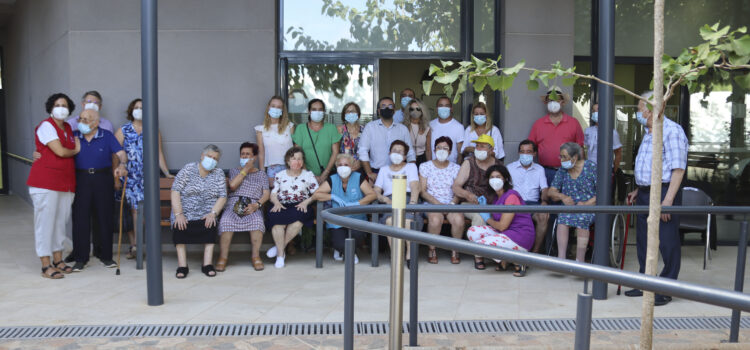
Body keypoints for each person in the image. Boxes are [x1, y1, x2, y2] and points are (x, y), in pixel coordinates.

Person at [624, 91, 688, 306]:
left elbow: (678, 170)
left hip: (664, 192)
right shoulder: (649, 132)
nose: (638, 113)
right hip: (645, 192)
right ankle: (646, 283)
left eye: (640, 108)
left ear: (652, 109)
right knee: (643, 239)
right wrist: (638, 189)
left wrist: (668, 200)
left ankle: (666, 288)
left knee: (667, 241)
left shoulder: (671, 131)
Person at [27, 93, 80, 279]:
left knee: (60, 223)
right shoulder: (46, 126)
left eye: (64, 105)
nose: (61, 108)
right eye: (57, 104)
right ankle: (45, 264)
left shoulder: (67, 127)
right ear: (50, 108)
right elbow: (59, 150)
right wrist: (75, 149)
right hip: (45, 183)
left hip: (65, 183)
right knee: (45, 223)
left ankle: (58, 260)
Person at [114, 98, 174, 260]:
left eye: (142, 108)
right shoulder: (123, 130)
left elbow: (158, 153)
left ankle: (140, 245)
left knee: (143, 212)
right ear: (131, 110)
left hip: (147, 176)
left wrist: (167, 173)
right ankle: (135, 245)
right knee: (133, 210)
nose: (139, 110)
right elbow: (114, 152)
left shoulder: (153, 129)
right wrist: (117, 170)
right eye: (136, 107)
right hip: (129, 176)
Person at [70, 109, 128, 272]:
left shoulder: (107, 135)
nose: (82, 122)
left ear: (96, 122)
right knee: (80, 218)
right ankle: (81, 258)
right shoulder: (74, 135)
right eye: (80, 119)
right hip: (80, 179)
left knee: (104, 217)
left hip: (102, 178)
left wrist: (122, 164)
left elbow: (121, 153)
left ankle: (106, 256)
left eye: (86, 119)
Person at [171, 145, 228, 278]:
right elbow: (175, 191)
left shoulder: (218, 173)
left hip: (207, 213)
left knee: (211, 223)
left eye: (215, 158)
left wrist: (213, 213)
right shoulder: (189, 169)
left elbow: (222, 196)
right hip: (185, 211)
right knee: (179, 225)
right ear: (202, 156)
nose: (212, 160)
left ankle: (207, 264)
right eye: (209, 156)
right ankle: (182, 265)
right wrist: (179, 214)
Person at [468, 164, 535, 276]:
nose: (495, 180)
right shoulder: (496, 197)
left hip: (520, 236)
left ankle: (519, 260)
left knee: (481, 245)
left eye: (498, 177)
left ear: (506, 179)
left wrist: (487, 218)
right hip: (506, 234)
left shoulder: (511, 196)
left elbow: (502, 226)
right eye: (492, 177)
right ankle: (505, 260)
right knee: (472, 231)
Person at [311, 153, 377, 264]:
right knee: (339, 243)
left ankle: (347, 252)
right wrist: (332, 196)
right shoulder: (332, 179)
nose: (343, 167)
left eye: (346, 164)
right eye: (340, 165)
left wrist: (357, 203)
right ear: (336, 167)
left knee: (358, 236)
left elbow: (372, 195)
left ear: (351, 167)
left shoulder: (358, 177)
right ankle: (347, 252)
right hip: (338, 220)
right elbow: (316, 194)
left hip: (357, 219)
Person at [217, 142, 270, 272]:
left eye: (248, 154)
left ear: (255, 157)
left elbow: (266, 194)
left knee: (257, 222)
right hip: (233, 203)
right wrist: (245, 169)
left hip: (253, 204)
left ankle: (256, 256)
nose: (244, 156)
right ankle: (223, 257)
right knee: (225, 221)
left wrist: (256, 205)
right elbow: (233, 186)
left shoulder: (262, 174)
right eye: (242, 154)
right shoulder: (235, 171)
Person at [267, 146, 319, 268]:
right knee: (276, 219)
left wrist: (307, 201)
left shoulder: (308, 175)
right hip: (282, 204)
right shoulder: (280, 175)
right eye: (294, 158)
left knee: (299, 218)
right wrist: (276, 203)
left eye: (300, 159)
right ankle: (281, 254)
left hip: (300, 205)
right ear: (288, 161)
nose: (297, 161)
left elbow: (317, 193)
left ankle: (279, 250)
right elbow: (273, 193)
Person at [547, 142, 597, 263]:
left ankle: (579, 261)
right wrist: (562, 196)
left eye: (564, 156)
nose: (561, 160)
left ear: (574, 157)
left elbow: (601, 193)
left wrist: (585, 204)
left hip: (590, 207)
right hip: (569, 209)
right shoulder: (563, 170)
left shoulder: (591, 167)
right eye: (561, 156)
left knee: (581, 218)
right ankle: (561, 259)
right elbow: (551, 191)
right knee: (563, 218)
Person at [528, 86, 584, 187]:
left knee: (567, 201)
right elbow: (530, 149)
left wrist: (580, 172)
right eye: (550, 100)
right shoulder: (538, 124)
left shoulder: (573, 123)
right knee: (547, 200)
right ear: (546, 103)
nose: (553, 103)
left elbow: (580, 149)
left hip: (569, 171)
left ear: (562, 102)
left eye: (557, 99)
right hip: (545, 172)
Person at [374, 140, 420, 262]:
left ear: (405, 156)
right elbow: (376, 190)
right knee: (390, 221)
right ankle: (397, 254)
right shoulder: (383, 170)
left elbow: (415, 186)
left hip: (408, 198)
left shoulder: (411, 167)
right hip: (390, 200)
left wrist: (413, 204)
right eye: (394, 151)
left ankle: (410, 254)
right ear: (389, 153)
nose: (396, 153)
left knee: (408, 221)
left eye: (400, 152)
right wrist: (384, 199)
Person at [452, 134, 504, 243]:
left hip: (492, 205)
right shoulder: (469, 163)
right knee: (480, 217)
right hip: (470, 204)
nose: (478, 149)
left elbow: (505, 187)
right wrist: (468, 195)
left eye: (482, 146)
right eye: (477, 146)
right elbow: (456, 187)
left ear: (491, 150)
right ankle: (478, 254)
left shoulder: (499, 165)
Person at [419, 136, 462, 264]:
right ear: (434, 149)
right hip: (431, 203)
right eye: (439, 147)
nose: (441, 150)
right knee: (435, 220)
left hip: (451, 203)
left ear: (450, 152)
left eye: (445, 148)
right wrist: (438, 204)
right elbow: (422, 190)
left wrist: (452, 204)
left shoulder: (456, 168)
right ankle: (432, 250)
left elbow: (459, 191)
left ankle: (456, 249)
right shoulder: (425, 166)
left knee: (459, 220)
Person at [359, 97, 416, 183]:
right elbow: (363, 151)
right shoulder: (370, 127)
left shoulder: (403, 129)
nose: (387, 108)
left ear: (394, 110)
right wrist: (369, 173)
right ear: (378, 111)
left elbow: (410, 153)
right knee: (376, 196)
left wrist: (412, 171)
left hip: (399, 172)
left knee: (398, 196)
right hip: (376, 173)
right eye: (383, 106)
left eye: (390, 106)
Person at [507, 140, 549, 253]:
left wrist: (544, 201)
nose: (525, 155)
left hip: (533, 204)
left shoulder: (540, 169)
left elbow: (544, 189)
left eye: (529, 152)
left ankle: (534, 252)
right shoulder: (509, 168)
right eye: (522, 152)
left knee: (543, 216)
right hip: (515, 204)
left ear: (534, 154)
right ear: (518, 153)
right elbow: (506, 189)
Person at [292, 99, 341, 183]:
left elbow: (335, 152)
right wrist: (309, 176)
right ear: (309, 111)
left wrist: (325, 174)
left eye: (320, 109)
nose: (317, 112)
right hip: (304, 175)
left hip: (328, 175)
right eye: (314, 109)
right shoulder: (301, 128)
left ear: (324, 112)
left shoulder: (331, 128)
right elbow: (297, 154)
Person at [255, 96, 294, 187]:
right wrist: (262, 173)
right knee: (274, 196)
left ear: (282, 110)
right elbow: (261, 153)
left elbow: (295, 149)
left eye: (279, 107)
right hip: (272, 168)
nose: (275, 109)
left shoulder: (290, 126)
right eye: (273, 106)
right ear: (268, 107)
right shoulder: (261, 129)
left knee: (289, 195)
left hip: (289, 166)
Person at [584, 103, 622, 173]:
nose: (595, 113)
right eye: (593, 111)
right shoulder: (588, 131)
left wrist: (614, 171)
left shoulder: (612, 132)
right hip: (590, 170)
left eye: (598, 110)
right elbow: (585, 149)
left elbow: (618, 153)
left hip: (606, 170)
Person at [429, 97, 464, 163]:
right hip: (433, 168)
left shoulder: (459, 127)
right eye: (441, 106)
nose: (444, 108)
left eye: (447, 106)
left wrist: (457, 169)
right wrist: (430, 166)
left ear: (451, 109)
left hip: (451, 168)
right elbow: (428, 149)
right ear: (436, 109)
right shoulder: (430, 125)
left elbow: (460, 153)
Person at [403, 99, 431, 166]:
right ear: (408, 111)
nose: (415, 111)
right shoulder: (403, 127)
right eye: (412, 109)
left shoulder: (426, 128)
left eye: (418, 109)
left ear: (422, 110)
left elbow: (428, 149)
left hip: (422, 159)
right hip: (406, 159)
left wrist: (430, 165)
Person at [337, 102, 363, 172]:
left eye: (353, 111)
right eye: (348, 111)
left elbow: (368, 151)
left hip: (360, 168)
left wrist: (361, 163)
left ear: (358, 113)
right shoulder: (340, 129)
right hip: (343, 168)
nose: (350, 113)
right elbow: (335, 151)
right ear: (344, 115)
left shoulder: (364, 130)